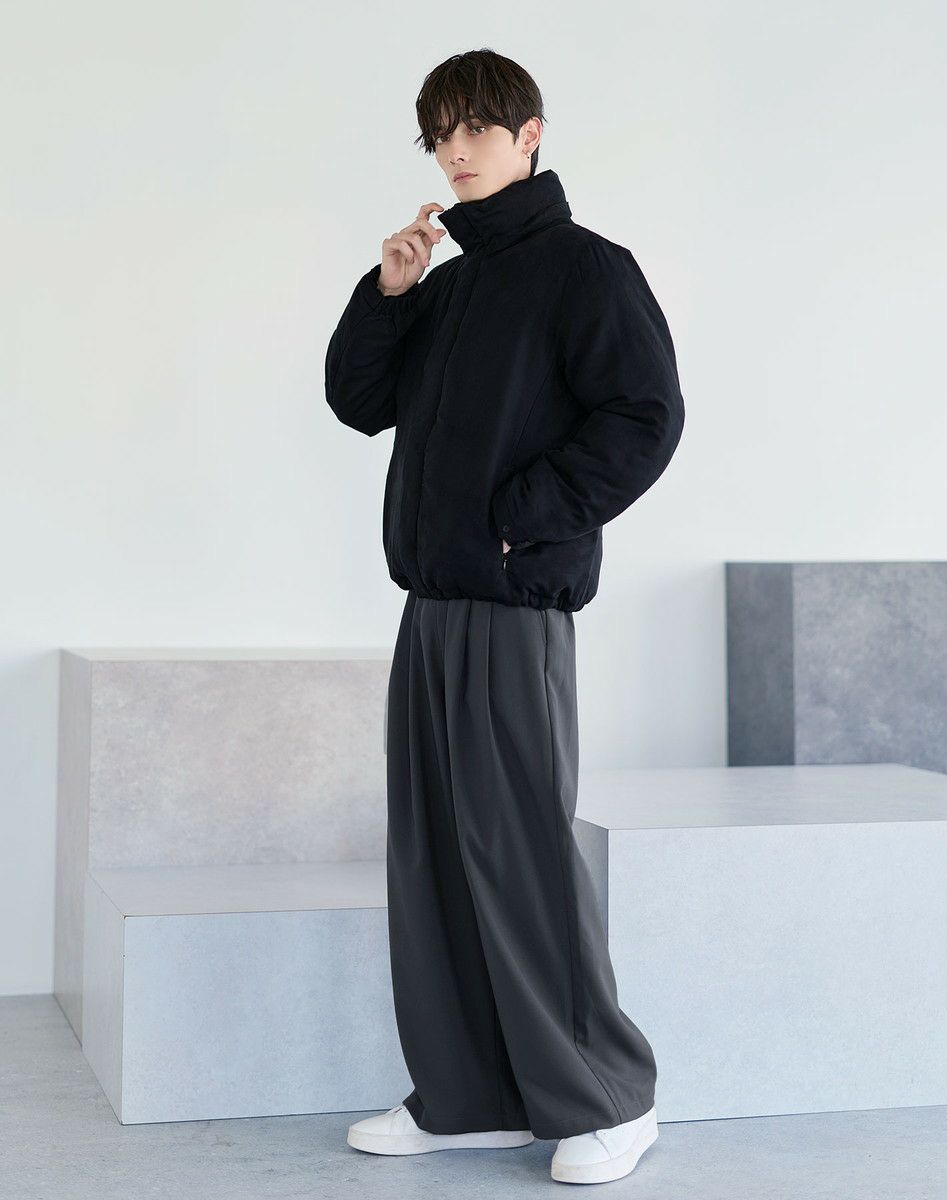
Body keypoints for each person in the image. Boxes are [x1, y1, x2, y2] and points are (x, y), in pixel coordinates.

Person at [325, 48, 685, 1185]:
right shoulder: (445, 286)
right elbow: (357, 402)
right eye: (440, 136)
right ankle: (469, 1095)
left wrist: (524, 519)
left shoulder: (587, 270)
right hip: (432, 608)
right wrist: (389, 292)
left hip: (512, 608)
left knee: (519, 852)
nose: (457, 152)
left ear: (530, 134)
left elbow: (645, 417)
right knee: (433, 858)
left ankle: (610, 1098)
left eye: (476, 129)